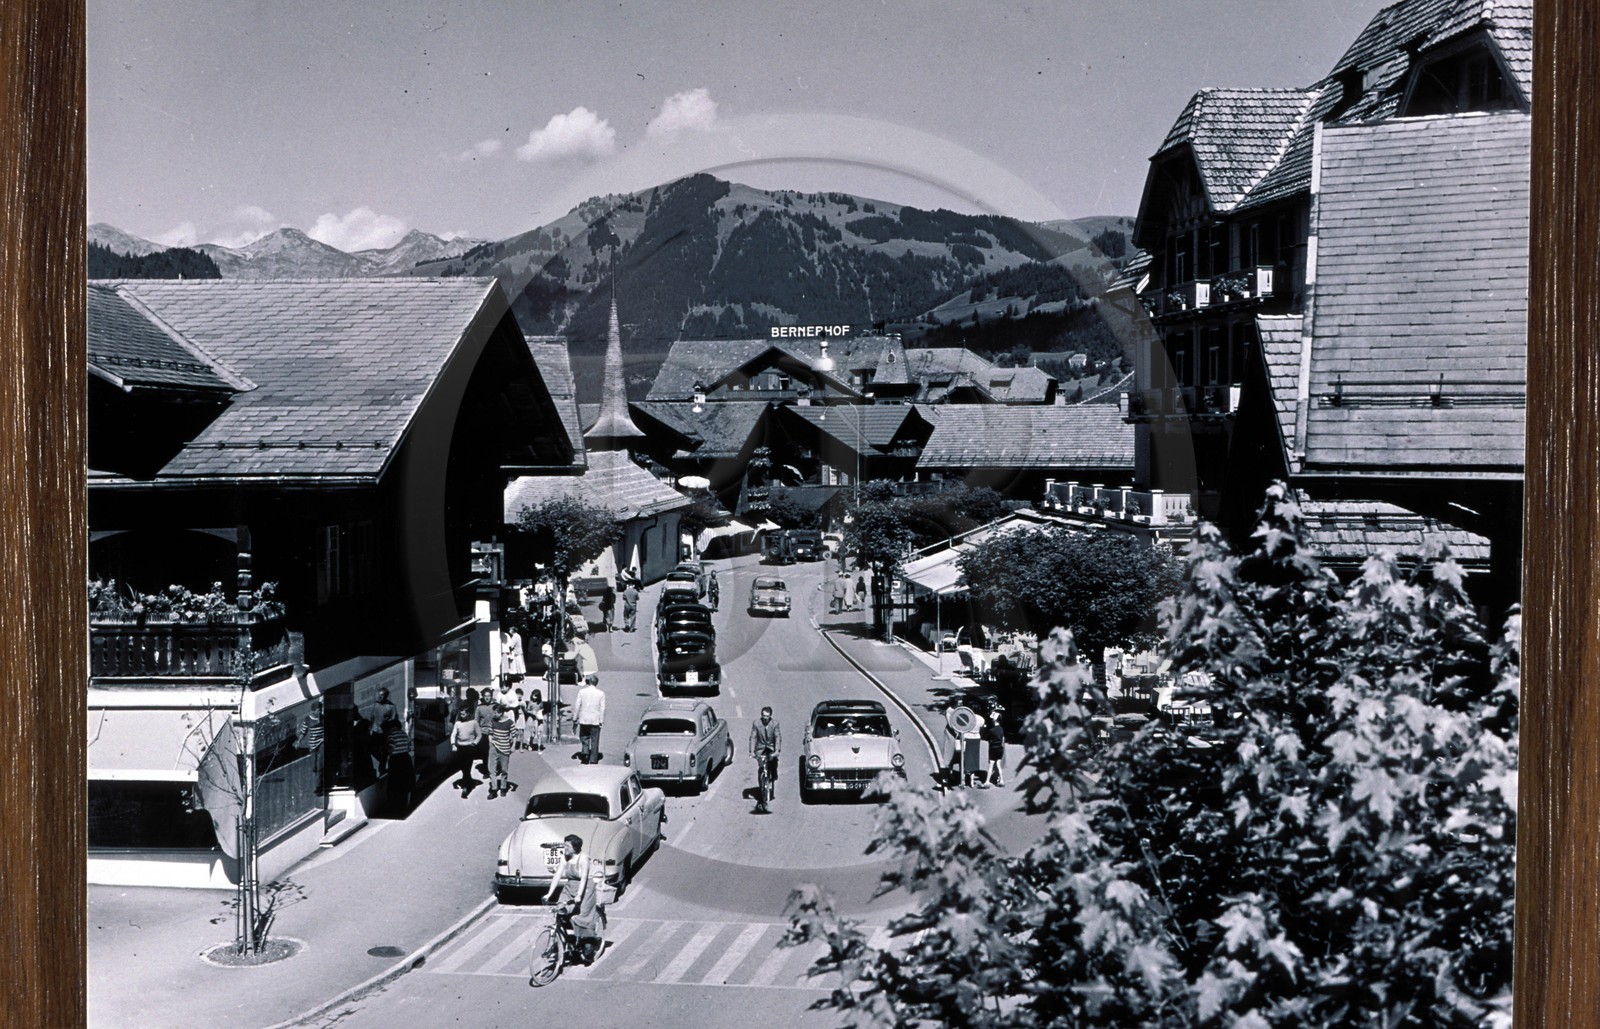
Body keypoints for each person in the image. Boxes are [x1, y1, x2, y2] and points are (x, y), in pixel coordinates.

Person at [545, 834, 603, 965]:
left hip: (585, 889)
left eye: (567, 846)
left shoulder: (583, 859)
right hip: (570, 887)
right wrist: (548, 894)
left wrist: (578, 896)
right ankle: (567, 939)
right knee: (561, 909)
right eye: (564, 845)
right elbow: (558, 875)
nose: (564, 848)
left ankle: (589, 943)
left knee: (581, 916)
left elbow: (583, 880)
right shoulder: (565, 858)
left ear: (575, 848)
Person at [749, 706, 781, 812]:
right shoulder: (756, 723)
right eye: (763, 716)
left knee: (773, 765)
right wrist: (752, 751)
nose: (765, 718)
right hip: (761, 749)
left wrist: (776, 751)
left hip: (771, 748)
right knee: (761, 768)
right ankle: (762, 786)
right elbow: (753, 737)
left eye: (767, 716)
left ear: (770, 716)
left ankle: (773, 775)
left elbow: (777, 738)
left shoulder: (775, 724)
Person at [574, 673, 606, 764]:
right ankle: (593, 759)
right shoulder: (601, 693)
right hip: (595, 720)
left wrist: (575, 718)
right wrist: (601, 720)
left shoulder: (582, 692)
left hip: (584, 719)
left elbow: (577, 705)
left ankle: (585, 755)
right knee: (595, 739)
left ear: (589, 682)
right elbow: (602, 708)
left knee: (584, 737)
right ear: (596, 683)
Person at [449, 708, 481, 797]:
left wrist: (475, 742)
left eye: (463, 714)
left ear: (468, 714)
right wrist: (453, 744)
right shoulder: (458, 723)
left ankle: (466, 788)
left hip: (470, 748)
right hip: (460, 748)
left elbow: (479, 735)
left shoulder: (474, 723)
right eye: (461, 714)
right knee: (462, 767)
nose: (461, 716)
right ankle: (469, 780)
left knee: (467, 767)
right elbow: (453, 735)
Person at [487, 704, 516, 799]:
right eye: (494, 712)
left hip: (505, 749)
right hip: (494, 747)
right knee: (491, 769)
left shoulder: (509, 722)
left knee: (504, 769)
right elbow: (490, 733)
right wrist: (491, 742)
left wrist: (513, 746)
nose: (494, 714)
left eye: (496, 712)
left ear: (501, 712)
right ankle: (494, 789)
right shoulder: (493, 721)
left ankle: (503, 787)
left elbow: (514, 735)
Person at [982, 701, 1006, 788]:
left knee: (991, 764)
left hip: (993, 748)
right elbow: (1003, 739)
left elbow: (986, 737)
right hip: (1000, 748)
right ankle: (1002, 780)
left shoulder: (992, 730)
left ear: (994, 720)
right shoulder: (1001, 729)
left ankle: (987, 781)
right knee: (998, 764)